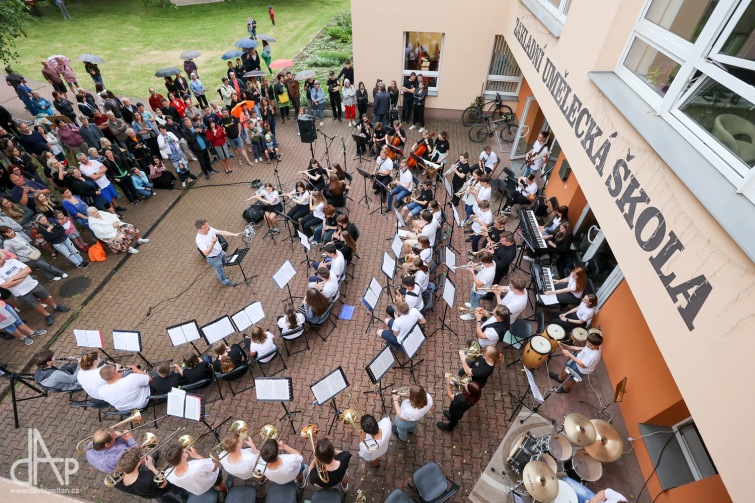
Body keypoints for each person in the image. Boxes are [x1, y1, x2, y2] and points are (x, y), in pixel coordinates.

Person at [0, 255, 70, 326]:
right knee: (34, 304)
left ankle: (55, 306)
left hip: (32, 284)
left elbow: (28, 270)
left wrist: (11, 280)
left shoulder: (13, 261)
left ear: (2, 257)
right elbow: (5, 285)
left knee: (44, 296)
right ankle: (47, 315)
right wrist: (22, 275)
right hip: (20, 292)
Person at [113, 446, 187, 501]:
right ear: (138, 463)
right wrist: (152, 467)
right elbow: (164, 484)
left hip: (153, 494)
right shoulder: (149, 477)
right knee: (179, 494)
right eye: (140, 457)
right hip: (165, 489)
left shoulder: (115, 480)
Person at [0, 226, 67, 281]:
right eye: (8, 232)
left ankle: (50, 277)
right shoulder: (7, 243)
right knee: (46, 265)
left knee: (43, 266)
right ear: (4, 234)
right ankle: (61, 273)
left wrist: (35, 249)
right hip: (27, 258)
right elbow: (14, 254)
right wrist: (27, 255)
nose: (11, 232)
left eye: (11, 230)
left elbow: (27, 243)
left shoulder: (17, 234)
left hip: (34, 252)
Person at [195, 219, 240, 287]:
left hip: (221, 252)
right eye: (205, 227)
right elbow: (206, 253)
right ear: (199, 229)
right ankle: (225, 281)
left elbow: (221, 232)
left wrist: (234, 234)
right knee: (219, 270)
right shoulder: (199, 239)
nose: (208, 227)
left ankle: (221, 271)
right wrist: (213, 243)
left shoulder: (209, 229)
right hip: (214, 258)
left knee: (224, 262)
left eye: (208, 225)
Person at [562, 479, 629, 503]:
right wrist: (593, 501)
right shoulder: (621, 499)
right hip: (594, 501)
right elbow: (605, 493)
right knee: (566, 481)